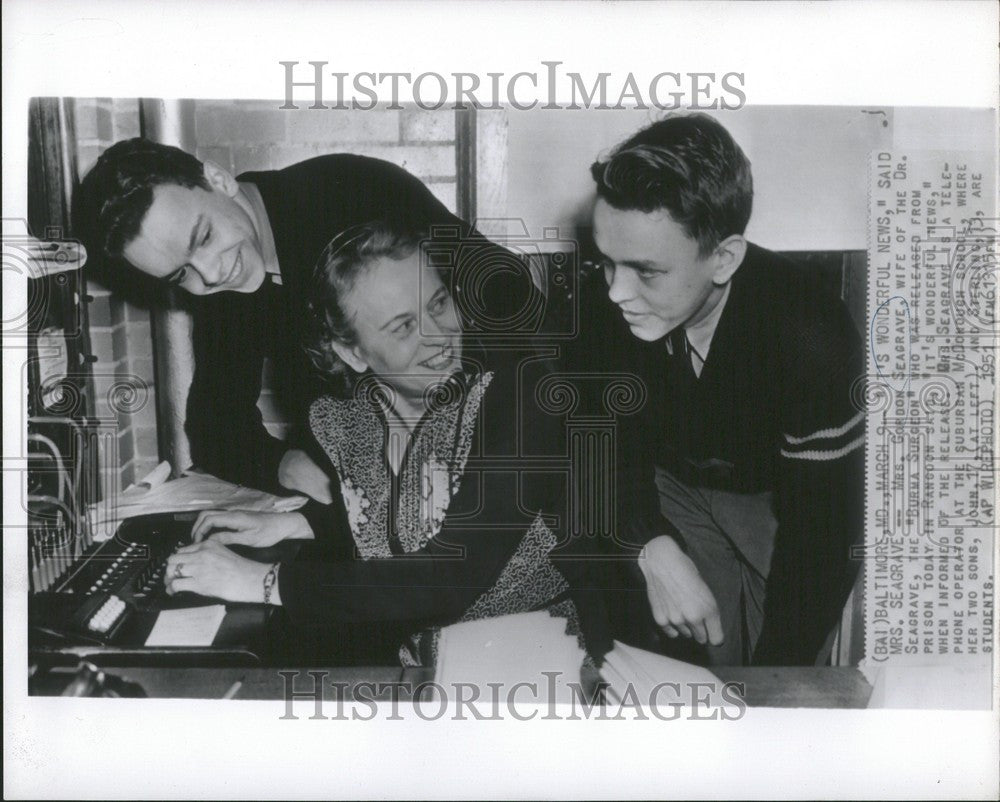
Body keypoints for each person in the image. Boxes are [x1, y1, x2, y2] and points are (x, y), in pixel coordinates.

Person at [161, 220, 605, 666]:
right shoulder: (346, 423)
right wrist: (299, 523)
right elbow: (398, 519)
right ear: (353, 353)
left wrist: (261, 580)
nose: (438, 337)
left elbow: (449, 576)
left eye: (438, 303)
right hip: (423, 676)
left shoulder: (521, 400)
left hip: (539, 672)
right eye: (402, 327)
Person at [74, 138, 535, 502]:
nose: (211, 275)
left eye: (204, 236)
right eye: (180, 274)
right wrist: (286, 464)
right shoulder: (222, 275)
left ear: (218, 179)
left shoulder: (354, 191)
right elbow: (215, 424)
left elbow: (513, 303)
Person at [576, 113, 864, 666]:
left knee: (778, 667)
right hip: (670, 481)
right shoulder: (603, 303)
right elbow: (601, 446)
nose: (615, 292)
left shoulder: (813, 338)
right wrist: (649, 544)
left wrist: (778, 682)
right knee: (698, 667)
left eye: (645, 271)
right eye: (605, 262)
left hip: (780, 499)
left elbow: (824, 536)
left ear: (724, 258)